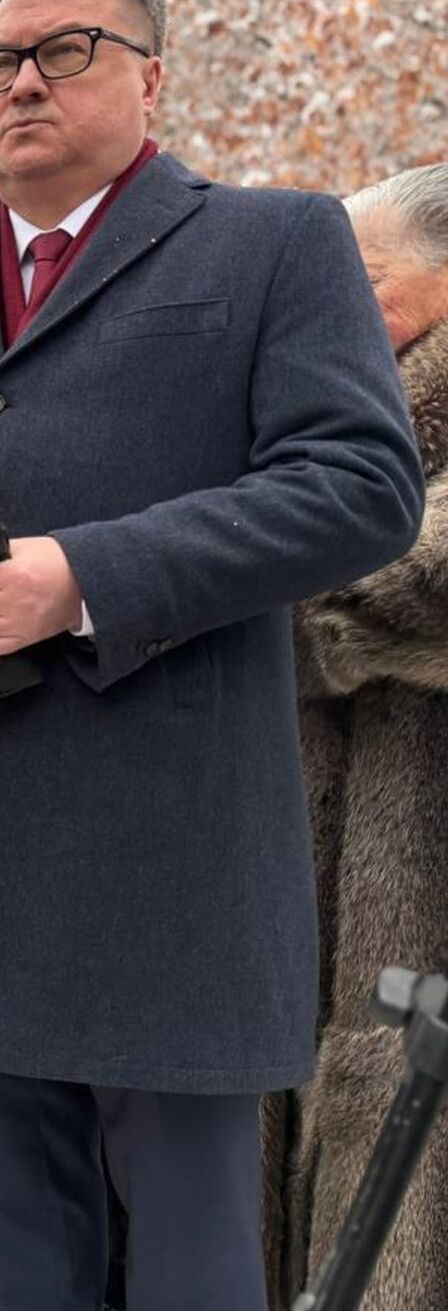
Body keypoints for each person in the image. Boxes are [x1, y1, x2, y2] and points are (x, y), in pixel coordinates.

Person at [0, 0, 425, 1311]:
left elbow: (360, 485)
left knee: (192, 1264)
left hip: (171, 868)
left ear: (151, 76)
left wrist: (80, 575)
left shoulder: (272, 243)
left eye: (63, 50)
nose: (22, 81)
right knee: (20, 1259)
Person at [259, 164, 448, 1311]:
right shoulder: (329, 425)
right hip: (310, 884)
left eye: (364, 277)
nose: (337, 304)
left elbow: (415, 580)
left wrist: (251, 572)